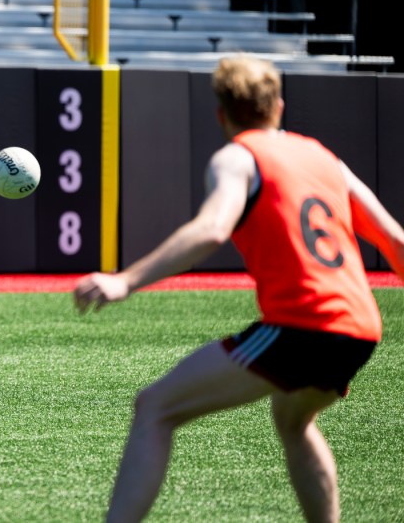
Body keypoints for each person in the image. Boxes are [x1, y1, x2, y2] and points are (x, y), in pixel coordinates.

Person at [73, 55, 404, 522]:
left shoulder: (236, 158)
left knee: (155, 407)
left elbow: (211, 229)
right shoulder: (324, 158)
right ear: (279, 106)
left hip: (305, 324)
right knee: (293, 420)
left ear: (221, 115)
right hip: (362, 328)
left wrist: (124, 281)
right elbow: (394, 241)